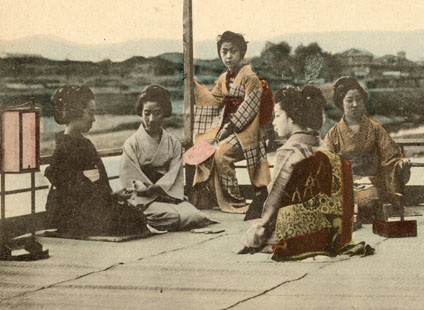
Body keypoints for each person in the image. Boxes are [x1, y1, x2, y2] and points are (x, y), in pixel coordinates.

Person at [235, 85, 372, 260]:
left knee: (253, 233)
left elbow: (274, 200)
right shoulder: (320, 145)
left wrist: (256, 235)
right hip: (331, 231)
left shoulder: (289, 151)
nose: (274, 122)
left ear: (292, 118)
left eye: (278, 116)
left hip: (297, 232)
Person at [44, 85, 148, 237]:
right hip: (74, 215)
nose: (93, 119)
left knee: (136, 217)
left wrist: (114, 196)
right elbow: (75, 193)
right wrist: (109, 198)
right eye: (91, 113)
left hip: (88, 210)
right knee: (134, 219)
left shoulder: (81, 143)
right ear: (76, 112)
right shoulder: (65, 148)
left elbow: (89, 189)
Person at [192, 31, 271, 214]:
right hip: (231, 129)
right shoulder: (224, 78)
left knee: (222, 154)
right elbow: (213, 99)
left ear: (241, 52)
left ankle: (236, 200)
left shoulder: (250, 77)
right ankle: (214, 196)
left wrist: (230, 127)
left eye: (233, 51)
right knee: (204, 150)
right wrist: (194, 86)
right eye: (224, 51)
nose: (228, 56)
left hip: (248, 129)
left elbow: (249, 108)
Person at [119, 85, 212, 231]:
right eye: (146, 113)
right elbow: (129, 175)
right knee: (168, 215)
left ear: (164, 113)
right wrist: (148, 189)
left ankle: (161, 220)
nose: (151, 119)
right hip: (144, 198)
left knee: (196, 215)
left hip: (167, 194)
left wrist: (160, 188)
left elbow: (174, 173)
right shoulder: (131, 143)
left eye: (157, 113)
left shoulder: (173, 143)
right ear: (141, 112)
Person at [325, 76, 409, 222]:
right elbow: (327, 164)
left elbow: (391, 157)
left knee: (370, 198)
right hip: (345, 185)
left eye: (359, 99)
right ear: (341, 103)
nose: (355, 104)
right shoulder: (333, 133)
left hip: (373, 183)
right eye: (349, 100)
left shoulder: (375, 128)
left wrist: (400, 164)